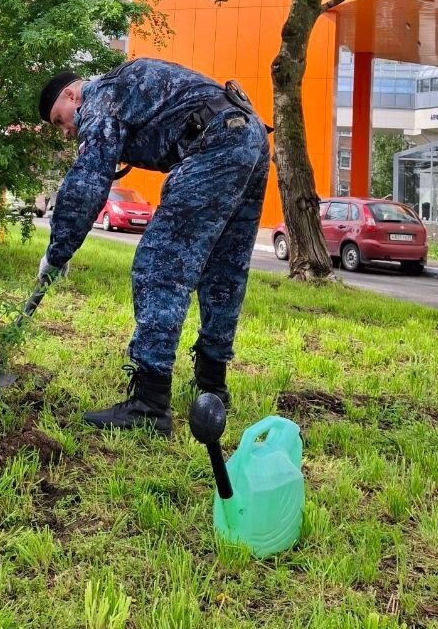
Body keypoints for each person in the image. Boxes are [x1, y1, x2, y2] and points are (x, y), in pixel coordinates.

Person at [37, 59, 271, 437]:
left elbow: (86, 184)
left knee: (159, 266)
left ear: (71, 95)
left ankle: (149, 402)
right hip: (248, 134)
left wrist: (56, 252)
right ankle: (212, 384)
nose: (65, 131)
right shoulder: (121, 92)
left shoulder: (99, 98)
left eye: (60, 120)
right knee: (225, 268)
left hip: (214, 141)